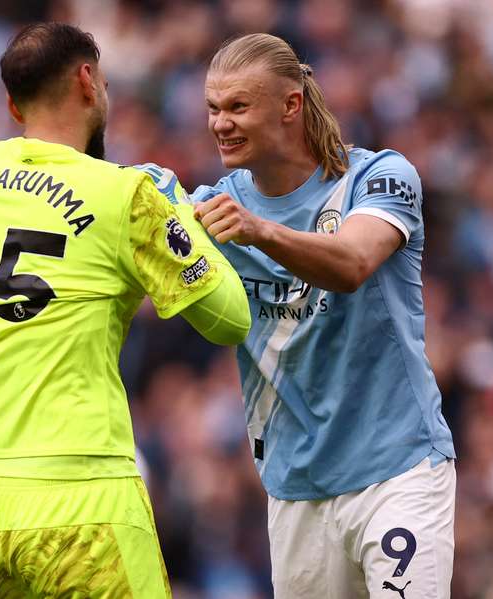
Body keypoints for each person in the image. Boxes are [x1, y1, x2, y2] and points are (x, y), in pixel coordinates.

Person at [0, 23, 250, 598]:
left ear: (13, 105)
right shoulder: (126, 195)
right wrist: (177, 215)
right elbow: (230, 319)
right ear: (88, 81)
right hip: (84, 498)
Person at [144, 33, 456, 598]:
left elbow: (354, 261)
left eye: (238, 106)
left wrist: (259, 231)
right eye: (213, 108)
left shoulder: (378, 179)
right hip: (296, 490)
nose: (220, 123)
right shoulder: (217, 207)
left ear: (290, 105)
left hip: (399, 472)